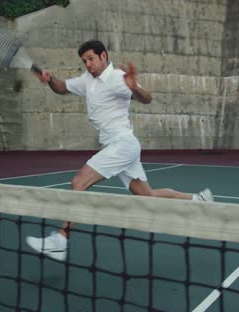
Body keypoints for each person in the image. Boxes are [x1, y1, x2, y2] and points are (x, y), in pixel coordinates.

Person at [26, 40, 213, 261]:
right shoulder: (87, 80)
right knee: (148, 196)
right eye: (84, 61)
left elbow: (146, 98)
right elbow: (62, 88)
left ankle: (61, 239)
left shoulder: (117, 78)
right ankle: (198, 200)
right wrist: (49, 80)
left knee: (78, 183)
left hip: (121, 144)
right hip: (121, 147)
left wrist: (134, 88)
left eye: (91, 59)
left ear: (103, 56)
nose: (88, 64)